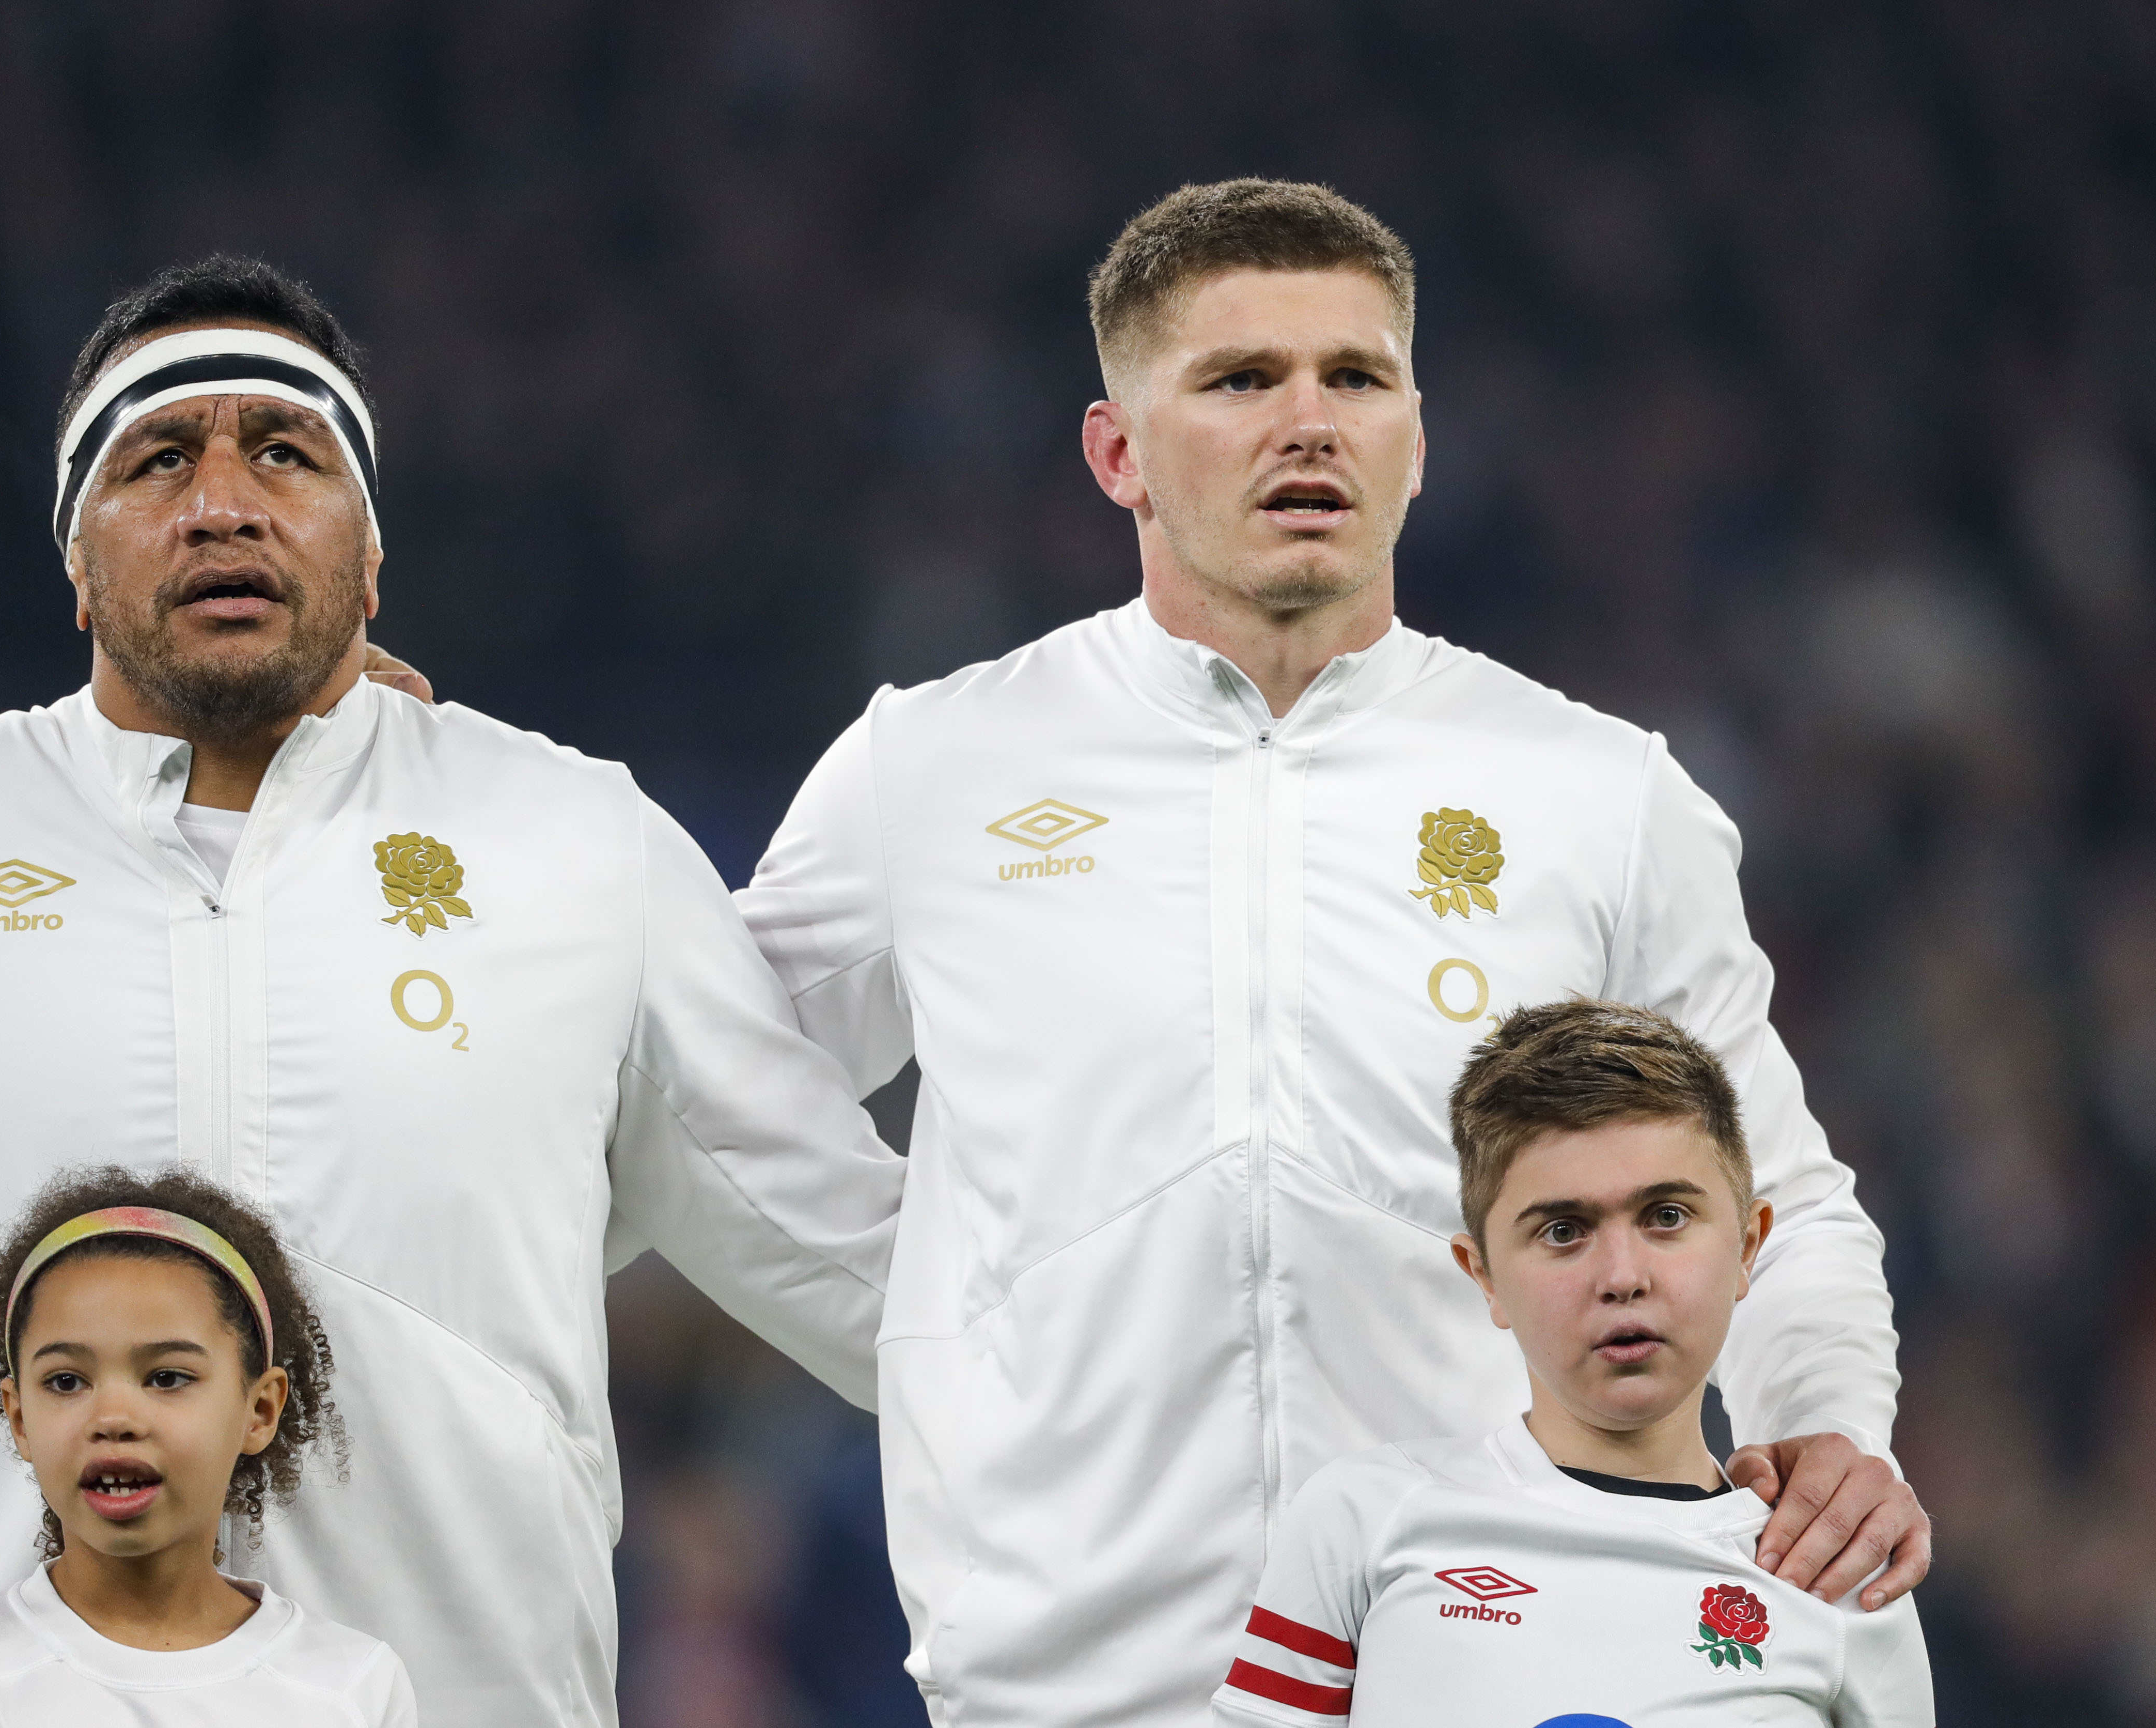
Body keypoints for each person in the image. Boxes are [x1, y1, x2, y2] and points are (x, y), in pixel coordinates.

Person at [737, 179, 1930, 1727]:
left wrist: (1828, 1418)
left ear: (1414, 444)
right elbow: (694, 1095)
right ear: (1119, 455)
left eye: (1354, 378)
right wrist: (933, 1331)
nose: (1308, 421)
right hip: (1061, 1684)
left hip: (1486, 1671)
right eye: (1240, 380)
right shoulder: (934, 769)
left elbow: (1780, 1191)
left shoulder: (1594, 795)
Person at [0, 255, 907, 1727]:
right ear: (76, 564)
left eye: (285, 452)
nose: (222, 501)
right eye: (157, 460)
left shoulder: (578, 846)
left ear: (372, 557)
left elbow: (898, 1297)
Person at [1211, 1000, 1931, 1728]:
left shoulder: (1841, 1577)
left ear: (1748, 1246)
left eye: (1666, 1216)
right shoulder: (1363, 1520)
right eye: (1563, 1231)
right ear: (1483, 1272)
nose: (1622, 1275)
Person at [0, 1167, 419, 1726]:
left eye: (167, 1378)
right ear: (19, 1416)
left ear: (260, 1410)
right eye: (67, 1382)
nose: (114, 1419)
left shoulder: (352, 1688)